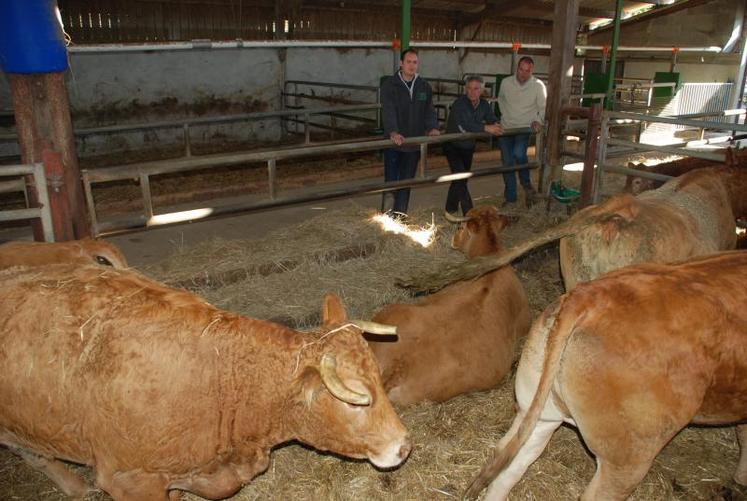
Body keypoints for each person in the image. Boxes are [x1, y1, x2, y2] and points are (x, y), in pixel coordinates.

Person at [381, 48, 440, 217]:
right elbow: (388, 110)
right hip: (394, 143)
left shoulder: (423, 86)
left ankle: (400, 218)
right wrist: (393, 131)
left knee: (406, 183)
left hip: (413, 144)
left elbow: (429, 109)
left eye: (415, 62)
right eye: (408, 62)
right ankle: (385, 219)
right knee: (391, 182)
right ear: (401, 63)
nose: (412, 65)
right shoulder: (390, 85)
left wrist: (432, 127)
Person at [443, 75, 503, 218]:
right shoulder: (459, 103)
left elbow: (491, 117)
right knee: (461, 177)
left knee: (460, 178)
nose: (472, 92)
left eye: (476, 88)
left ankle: (450, 208)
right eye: (469, 88)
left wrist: (495, 123)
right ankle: (470, 214)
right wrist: (486, 128)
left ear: (481, 90)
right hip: (452, 145)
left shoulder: (483, 104)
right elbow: (466, 124)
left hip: (468, 147)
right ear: (465, 89)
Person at [497, 56, 547, 207]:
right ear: (517, 68)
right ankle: (511, 197)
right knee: (507, 162)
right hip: (506, 127)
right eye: (521, 69)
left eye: (527, 71)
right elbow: (501, 99)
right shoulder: (506, 83)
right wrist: (505, 115)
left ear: (532, 71)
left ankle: (526, 183)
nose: (523, 74)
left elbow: (543, 106)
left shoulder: (538, 85)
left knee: (519, 153)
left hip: (524, 127)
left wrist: (538, 120)